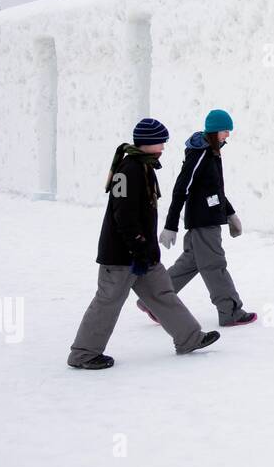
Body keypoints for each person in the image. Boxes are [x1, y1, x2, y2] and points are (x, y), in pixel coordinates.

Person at [67, 118, 219, 369]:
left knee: (162, 293)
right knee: (107, 302)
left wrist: (147, 249)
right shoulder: (129, 169)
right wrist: (138, 244)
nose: (164, 146)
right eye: (161, 141)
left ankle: (189, 338)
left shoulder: (143, 166)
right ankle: (83, 353)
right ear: (147, 143)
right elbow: (123, 214)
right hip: (122, 255)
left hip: (144, 253)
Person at [146, 109, 256, 327]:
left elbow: (215, 189)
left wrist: (230, 213)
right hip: (203, 221)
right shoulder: (200, 154)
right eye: (225, 130)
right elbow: (181, 189)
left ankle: (153, 301)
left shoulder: (212, 152)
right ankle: (230, 311)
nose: (228, 135)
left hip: (210, 218)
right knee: (215, 265)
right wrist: (170, 226)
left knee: (191, 263)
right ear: (215, 130)